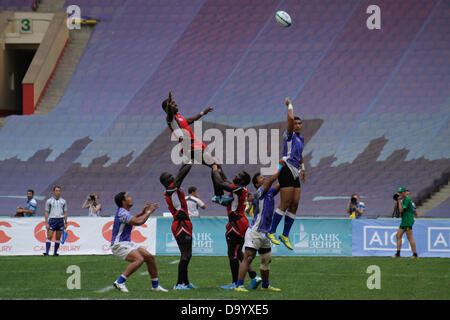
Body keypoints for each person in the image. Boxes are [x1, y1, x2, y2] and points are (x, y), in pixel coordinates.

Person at [162, 91, 232, 205]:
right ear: (168, 108)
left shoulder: (179, 117)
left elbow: (190, 120)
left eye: (175, 103)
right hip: (190, 146)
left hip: (196, 144)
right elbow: (169, 112)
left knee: (195, 165)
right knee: (214, 164)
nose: (176, 105)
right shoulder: (170, 118)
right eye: (173, 104)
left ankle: (174, 188)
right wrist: (169, 102)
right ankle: (219, 195)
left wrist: (203, 113)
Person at [211, 164, 259, 290]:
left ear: (242, 181)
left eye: (238, 175)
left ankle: (235, 283)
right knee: (238, 252)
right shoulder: (240, 189)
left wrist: (214, 170)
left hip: (236, 223)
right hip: (240, 222)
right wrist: (220, 170)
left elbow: (222, 184)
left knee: (232, 253)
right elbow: (225, 181)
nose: (235, 176)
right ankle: (254, 276)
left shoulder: (238, 189)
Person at [235, 168, 283, 292]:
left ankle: (265, 286)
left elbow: (281, 183)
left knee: (266, 259)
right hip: (255, 232)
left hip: (265, 233)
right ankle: (239, 286)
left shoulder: (270, 192)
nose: (264, 178)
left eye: (264, 177)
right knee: (248, 258)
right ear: (257, 184)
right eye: (261, 178)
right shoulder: (259, 193)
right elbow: (272, 180)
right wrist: (280, 167)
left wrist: (289, 172)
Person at [267, 98, 306, 250]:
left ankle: (285, 235)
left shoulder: (301, 138)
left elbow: (300, 153)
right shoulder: (288, 135)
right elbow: (290, 117)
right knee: (285, 203)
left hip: (296, 171)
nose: (297, 125)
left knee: (295, 204)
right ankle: (271, 231)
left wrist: (303, 168)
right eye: (295, 123)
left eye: (299, 123)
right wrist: (289, 105)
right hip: (287, 169)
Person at [111, 192, 167, 293]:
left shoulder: (124, 212)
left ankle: (155, 286)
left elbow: (134, 219)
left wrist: (142, 212)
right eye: (128, 197)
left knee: (149, 258)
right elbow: (138, 222)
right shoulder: (122, 212)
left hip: (127, 243)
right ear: (123, 201)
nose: (130, 198)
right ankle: (120, 282)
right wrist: (149, 212)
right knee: (139, 259)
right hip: (119, 244)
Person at [160, 163, 198, 290]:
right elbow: (181, 175)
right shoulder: (170, 189)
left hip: (184, 222)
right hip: (180, 224)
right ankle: (178, 284)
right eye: (169, 177)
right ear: (166, 182)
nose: (173, 177)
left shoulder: (173, 188)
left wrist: (187, 158)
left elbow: (180, 172)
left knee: (188, 254)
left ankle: (186, 283)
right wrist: (192, 160)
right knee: (185, 255)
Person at [392, 187, 418, 259]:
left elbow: (401, 210)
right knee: (398, 235)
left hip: (408, 220)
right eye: (399, 192)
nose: (399, 194)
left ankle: (415, 254)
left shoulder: (407, 199)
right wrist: (399, 201)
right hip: (404, 220)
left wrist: (399, 201)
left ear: (404, 192)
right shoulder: (404, 199)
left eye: (401, 192)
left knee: (410, 237)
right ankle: (398, 253)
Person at [43, 186, 67, 256]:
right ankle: (47, 252)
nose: (58, 192)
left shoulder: (63, 201)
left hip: (60, 220)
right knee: (49, 236)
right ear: (54, 192)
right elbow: (46, 212)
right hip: (52, 219)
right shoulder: (49, 201)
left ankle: (55, 253)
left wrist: (66, 222)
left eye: (59, 191)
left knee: (58, 237)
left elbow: (65, 212)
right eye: (56, 191)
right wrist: (46, 222)